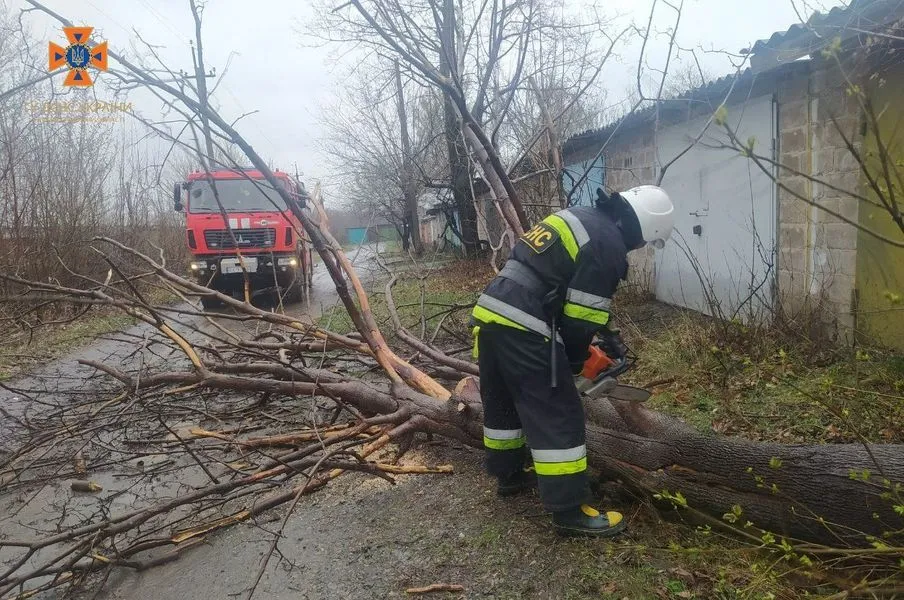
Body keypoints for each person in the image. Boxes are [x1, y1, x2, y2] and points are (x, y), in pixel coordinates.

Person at [471, 185, 674, 536]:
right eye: (643, 243)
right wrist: (577, 361)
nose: (638, 249)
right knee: (558, 410)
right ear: (643, 228)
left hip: (491, 312)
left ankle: (508, 475)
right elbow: (581, 319)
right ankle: (569, 511)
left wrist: (601, 340)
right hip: (524, 320)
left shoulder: (583, 218)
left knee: (503, 400)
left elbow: (561, 287)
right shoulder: (607, 243)